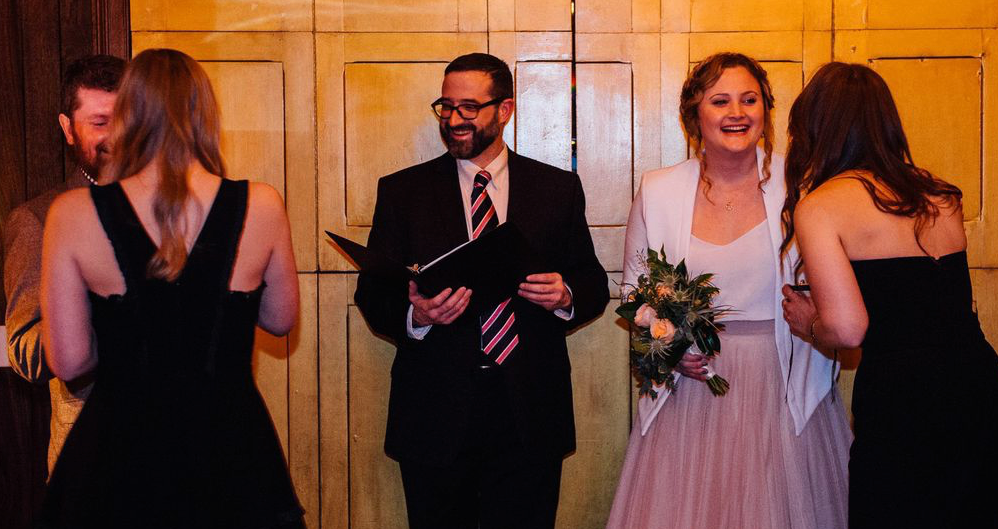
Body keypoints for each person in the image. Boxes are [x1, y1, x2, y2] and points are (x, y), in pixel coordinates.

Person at [37, 48, 303, 528]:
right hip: (229, 447)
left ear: (128, 114)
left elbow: (70, 361)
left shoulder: (72, 214)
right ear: (204, 114)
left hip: (120, 451)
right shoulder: (262, 204)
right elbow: (280, 319)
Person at [354, 52, 609, 529]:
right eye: (446, 106)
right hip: (435, 415)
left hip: (529, 414)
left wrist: (566, 295)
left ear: (505, 109)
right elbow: (373, 294)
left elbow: (593, 282)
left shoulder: (557, 188)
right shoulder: (402, 192)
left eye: (469, 107)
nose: (453, 120)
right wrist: (417, 316)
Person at [606, 52, 850, 529]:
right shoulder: (658, 190)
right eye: (720, 101)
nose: (737, 113)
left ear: (766, 110)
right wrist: (670, 347)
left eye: (749, 100)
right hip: (692, 391)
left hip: (782, 390)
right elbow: (634, 294)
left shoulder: (804, 186)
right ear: (694, 114)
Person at [780, 62, 998, 529]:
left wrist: (810, 323)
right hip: (979, 382)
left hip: (904, 398)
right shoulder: (939, 194)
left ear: (817, 126)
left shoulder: (821, 206)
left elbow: (848, 329)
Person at [4, 54, 125, 474]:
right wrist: (97, 311)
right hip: (90, 456)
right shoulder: (36, 219)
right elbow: (25, 352)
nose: (116, 135)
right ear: (67, 128)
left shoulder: (169, 210)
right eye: (99, 122)